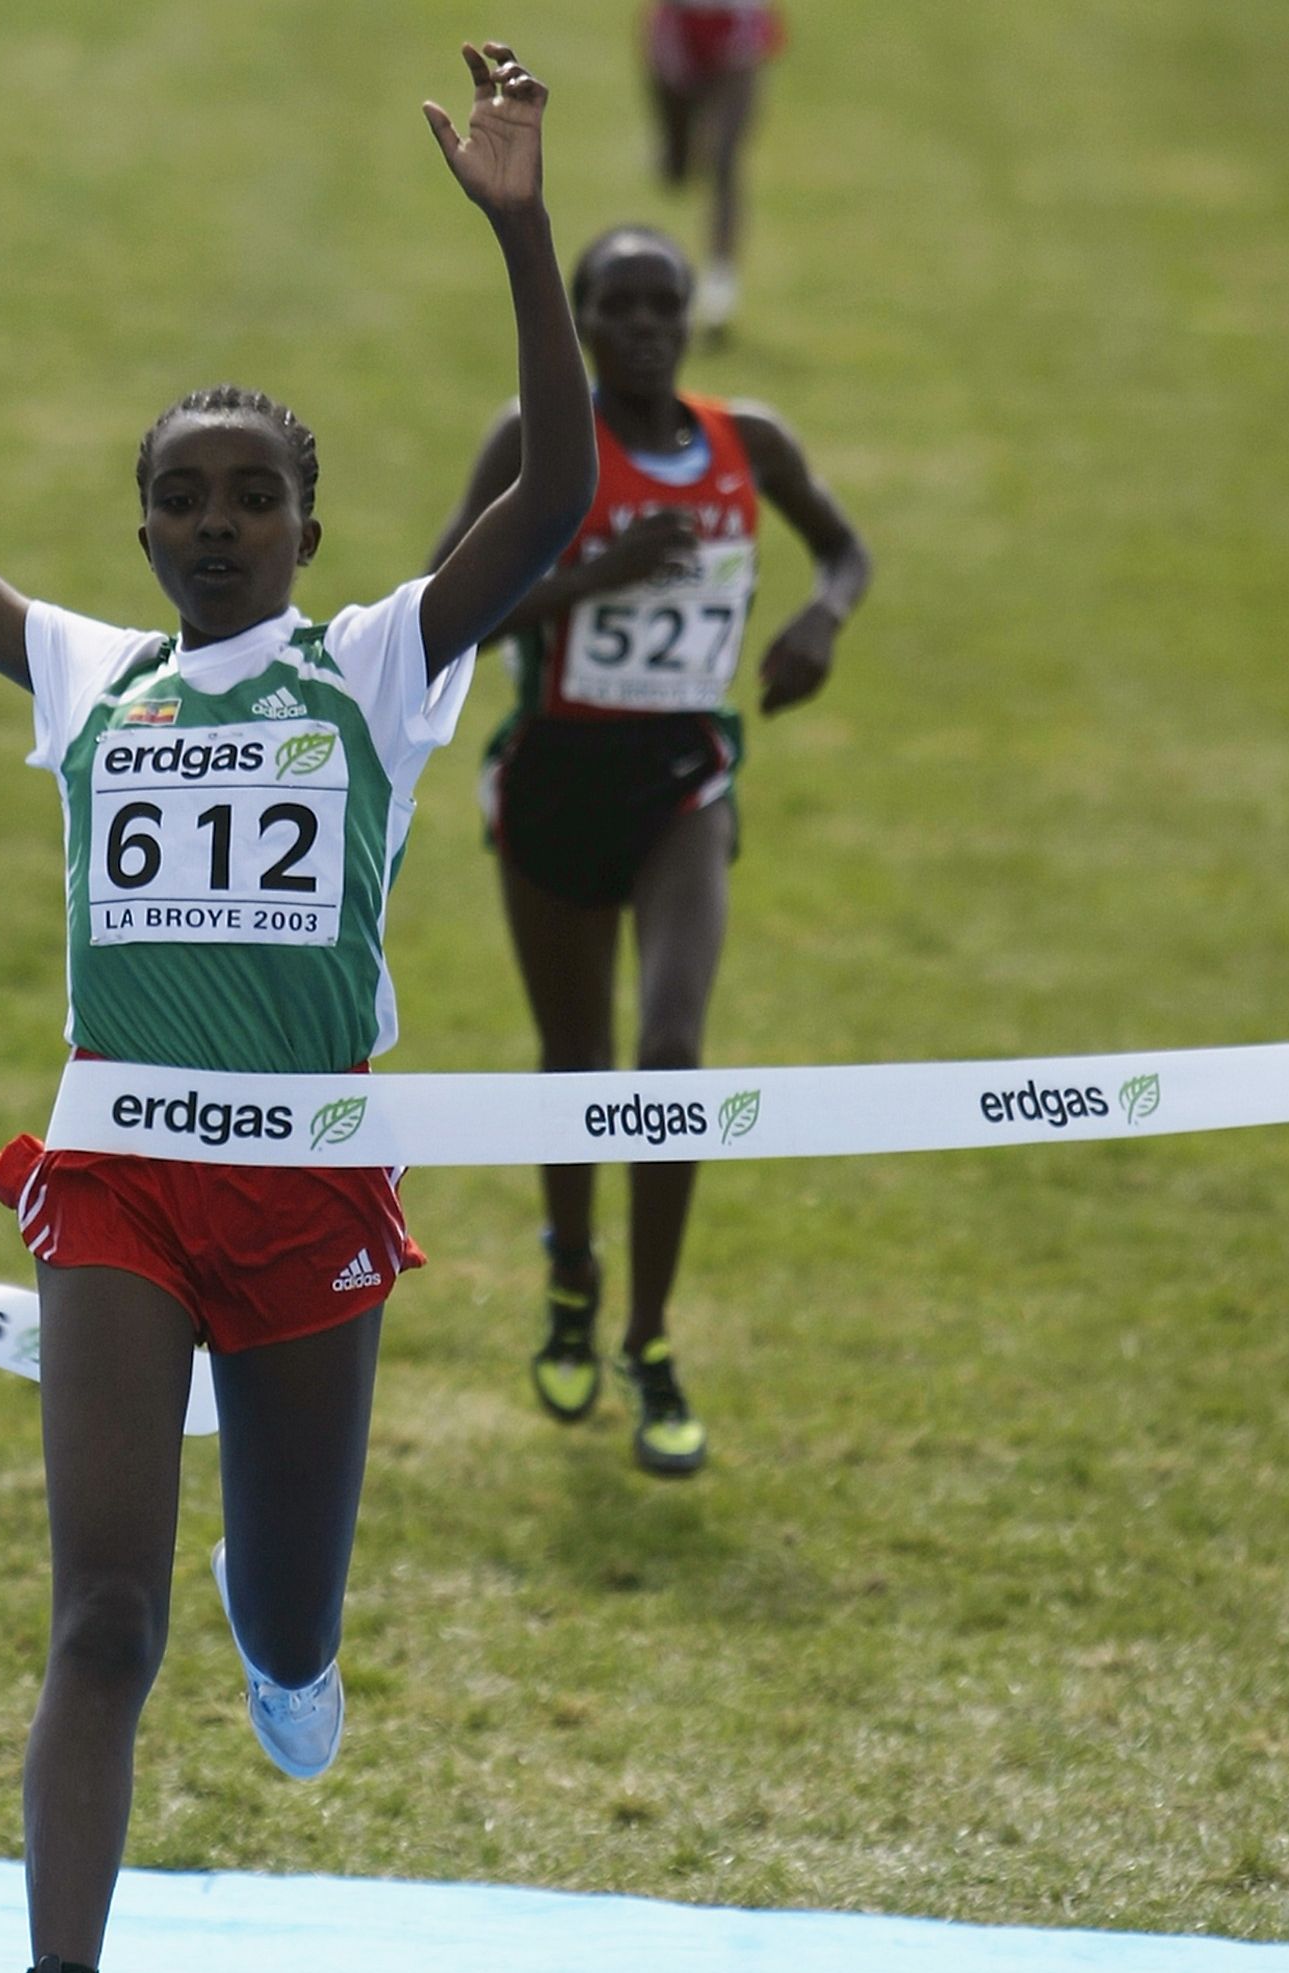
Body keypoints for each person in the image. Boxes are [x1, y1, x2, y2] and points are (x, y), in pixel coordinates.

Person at [0, 42, 594, 1973]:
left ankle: (285, 1649)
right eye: (179, 497)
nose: (212, 524)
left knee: (279, 1620)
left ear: (307, 525)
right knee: (94, 1605)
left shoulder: (380, 662)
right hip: (115, 1174)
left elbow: (553, 500)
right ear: (139, 527)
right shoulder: (92, 675)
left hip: (305, 1194)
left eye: (248, 496)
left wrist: (516, 226)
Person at [428, 223, 868, 1474]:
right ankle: (571, 1279)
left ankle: (651, 1338)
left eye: (661, 305)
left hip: (685, 783)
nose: (640, 327)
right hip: (555, 777)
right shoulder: (535, 442)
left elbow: (849, 549)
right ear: (579, 322)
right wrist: (595, 574)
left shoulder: (751, 441)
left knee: (670, 1052)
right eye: (614, 307)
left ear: (686, 318)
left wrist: (822, 620)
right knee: (576, 1057)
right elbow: (437, 607)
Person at [641, 0, 787, 338]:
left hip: (737, 23)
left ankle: (719, 286)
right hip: (679, 26)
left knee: (724, 162)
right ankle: (674, 155)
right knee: (676, 168)